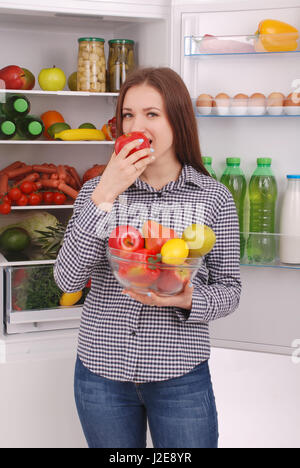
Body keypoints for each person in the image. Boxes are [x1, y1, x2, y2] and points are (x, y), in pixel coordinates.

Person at [54, 67, 241, 449]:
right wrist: (105, 192)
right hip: (101, 373)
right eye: (128, 114)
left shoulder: (213, 197)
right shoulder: (97, 190)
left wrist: (188, 298)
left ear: (178, 121)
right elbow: (67, 280)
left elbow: (230, 290)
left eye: (151, 114)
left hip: (180, 376)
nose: (136, 125)